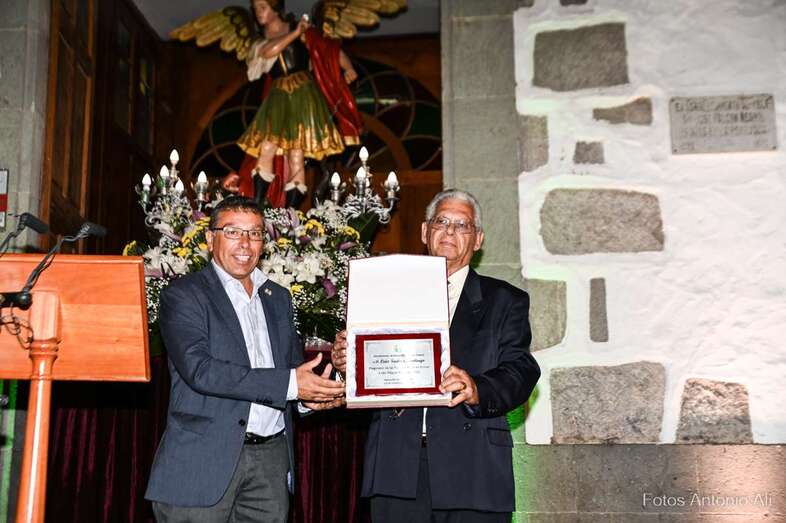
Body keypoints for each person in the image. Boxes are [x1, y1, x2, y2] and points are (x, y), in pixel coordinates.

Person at [332, 189, 541, 522]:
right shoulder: (382, 294)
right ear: (424, 232)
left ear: (478, 240)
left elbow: (522, 370)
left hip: (474, 469)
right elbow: (362, 385)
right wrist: (348, 366)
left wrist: (478, 388)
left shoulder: (505, 300)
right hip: (396, 469)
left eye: (462, 225)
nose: (450, 231)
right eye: (441, 221)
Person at [145, 196, 345, 522]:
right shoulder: (184, 295)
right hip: (203, 461)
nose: (245, 243)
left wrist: (311, 398)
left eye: (254, 234)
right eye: (233, 232)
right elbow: (201, 371)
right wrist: (292, 384)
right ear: (211, 239)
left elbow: (291, 372)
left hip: (270, 461)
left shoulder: (277, 297)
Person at [230, 0, 362, 208]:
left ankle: (291, 213)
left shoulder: (302, 31)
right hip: (278, 94)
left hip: (302, 92)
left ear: (275, 8)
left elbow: (328, 50)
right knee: (266, 147)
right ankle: (257, 204)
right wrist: (294, 33)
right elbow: (268, 52)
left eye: (262, 7)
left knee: (296, 155)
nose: (258, 13)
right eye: (255, 9)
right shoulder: (262, 41)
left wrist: (348, 68)